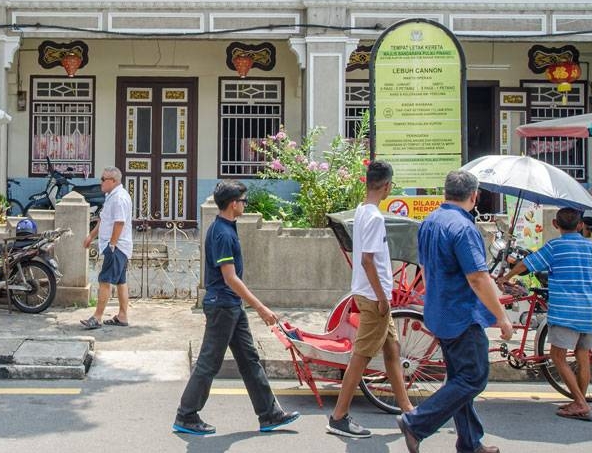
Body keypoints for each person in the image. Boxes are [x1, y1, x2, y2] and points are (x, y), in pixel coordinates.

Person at [396, 170, 513, 453]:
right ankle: (416, 422)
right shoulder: (463, 228)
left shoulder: (429, 222)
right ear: (474, 196)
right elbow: (478, 278)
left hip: (440, 311)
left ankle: (470, 443)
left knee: (461, 379)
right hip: (463, 315)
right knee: (473, 378)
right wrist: (502, 316)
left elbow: (424, 267)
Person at [172, 180, 300, 436]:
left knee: (249, 359)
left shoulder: (227, 227)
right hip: (222, 305)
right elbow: (230, 277)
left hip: (231, 305)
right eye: (243, 201)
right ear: (233, 204)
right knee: (209, 361)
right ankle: (186, 415)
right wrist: (261, 307)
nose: (245, 205)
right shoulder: (222, 233)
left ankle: (269, 413)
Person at [327, 160, 414, 438]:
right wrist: (382, 297)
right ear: (387, 186)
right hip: (374, 298)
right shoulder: (375, 217)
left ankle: (409, 411)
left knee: (392, 352)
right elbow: (367, 261)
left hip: (370, 295)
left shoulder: (363, 211)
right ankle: (339, 417)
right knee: (361, 357)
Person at [497, 207, 592, 421]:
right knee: (583, 356)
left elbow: (528, 264)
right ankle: (578, 400)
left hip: (566, 311)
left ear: (555, 225)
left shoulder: (556, 246)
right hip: (588, 309)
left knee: (557, 356)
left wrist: (506, 277)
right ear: (580, 225)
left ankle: (580, 403)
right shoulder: (590, 247)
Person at [81, 166, 133, 328]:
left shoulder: (119, 198)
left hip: (116, 247)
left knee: (104, 280)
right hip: (116, 246)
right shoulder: (112, 196)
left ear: (114, 181)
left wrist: (112, 243)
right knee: (120, 281)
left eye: (104, 179)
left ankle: (97, 317)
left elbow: (119, 222)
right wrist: (91, 236)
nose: (101, 182)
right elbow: (103, 220)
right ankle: (122, 316)